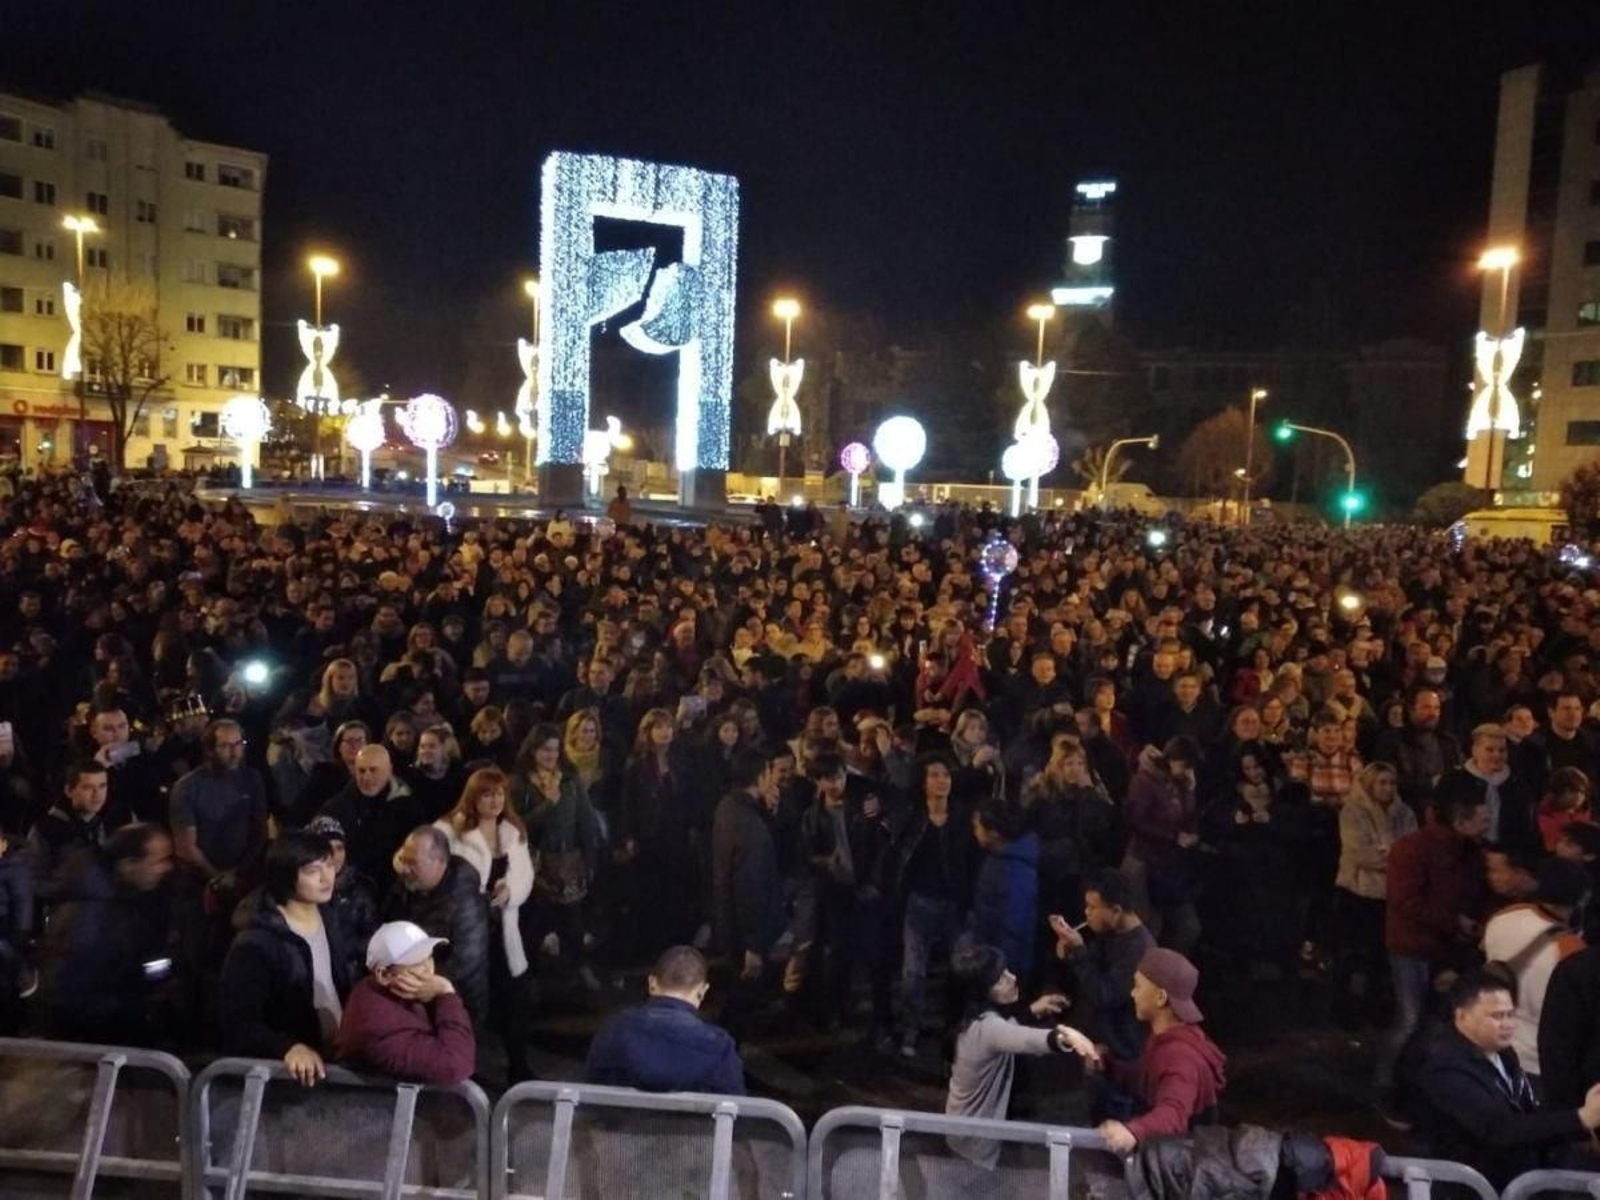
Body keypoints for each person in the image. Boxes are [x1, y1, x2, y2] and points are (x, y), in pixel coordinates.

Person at [1415, 968, 1600, 1187]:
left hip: (1523, 1170)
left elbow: (1527, 1113)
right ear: (1461, 1015)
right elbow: (1499, 1130)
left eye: (1510, 1014)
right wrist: (1580, 1118)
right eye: (1496, 1016)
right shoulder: (1443, 1068)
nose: (1508, 1024)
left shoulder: (1503, 1052)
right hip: (1477, 1185)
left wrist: (1577, 1131)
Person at [1374, 790, 1491, 1121]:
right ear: (1460, 821)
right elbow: (1407, 900)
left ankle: (1420, 1084)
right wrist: (1455, 921)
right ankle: (1384, 1085)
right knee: (1409, 1019)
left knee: (1433, 1020)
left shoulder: (1468, 850)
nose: (1488, 824)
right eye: (1481, 819)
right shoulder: (1413, 849)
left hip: (1445, 945)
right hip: (1412, 946)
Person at [944, 943, 1097, 1169]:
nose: (1012, 978)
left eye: (1007, 971)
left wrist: (1033, 1010)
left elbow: (1007, 1031)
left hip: (962, 1136)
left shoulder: (972, 1021)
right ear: (980, 991)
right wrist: (1066, 1035)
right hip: (972, 1148)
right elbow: (1022, 1038)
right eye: (1000, 979)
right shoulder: (986, 1028)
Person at [218, 831, 347, 1086]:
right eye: (312, 871)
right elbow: (239, 1024)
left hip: (335, 1062)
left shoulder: (329, 916)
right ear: (286, 876)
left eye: (330, 866)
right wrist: (288, 1047)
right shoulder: (256, 943)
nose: (326, 878)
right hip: (290, 1080)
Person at [38, 822, 176, 1046]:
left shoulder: (130, 901)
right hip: (95, 1040)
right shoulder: (93, 915)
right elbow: (76, 993)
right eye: (158, 861)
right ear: (128, 864)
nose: (166, 868)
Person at [1091, 947, 1228, 1155]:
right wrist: (1109, 1066)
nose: (1132, 993)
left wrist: (1133, 1131)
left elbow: (1173, 1114)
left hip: (1184, 1170)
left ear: (1160, 997)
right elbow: (1150, 1078)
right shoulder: (1166, 1038)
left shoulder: (1180, 1057)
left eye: (1137, 986)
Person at [1480, 857, 1588, 1083]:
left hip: (1492, 1042)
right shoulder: (1571, 950)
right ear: (1581, 899)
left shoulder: (1503, 916)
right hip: (1536, 1060)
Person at [585, 945, 745, 1094]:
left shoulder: (615, 1030)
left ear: (652, 983)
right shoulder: (719, 1046)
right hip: (693, 1125)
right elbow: (735, 1107)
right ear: (702, 991)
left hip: (624, 1123)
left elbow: (592, 1090)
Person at [335, 920, 476, 1085]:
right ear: (383, 975)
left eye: (429, 958)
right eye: (416, 963)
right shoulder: (377, 1021)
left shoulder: (407, 994)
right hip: (378, 1108)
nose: (429, 971)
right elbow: (455, 1064)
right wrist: (446, 994)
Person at [1333, 762, 1417, 1028]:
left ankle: (1373, 1008)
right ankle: (1344, 1009)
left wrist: (1387, 853)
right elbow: (1359, 852)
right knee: (1354, 952)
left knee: (1381, 956)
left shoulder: (1404, 813)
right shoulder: (1353, 812)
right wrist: (1393, 856)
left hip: (1390, 893)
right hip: (1359, 891)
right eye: (1382, 783)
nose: (1388, 788)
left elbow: (1411, 849)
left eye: (1391, 783)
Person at [711, 748, 785, 1043]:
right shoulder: (751, 828)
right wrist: (754, 946)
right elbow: (751, 887)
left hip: (729, 924)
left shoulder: (728, 807)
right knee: (738, 1006)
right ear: (760, 776)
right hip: (745, 934)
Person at [1047, 870, 1157, 1066]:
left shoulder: (1139, 950)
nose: (1087, 912)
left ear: (1116, 910)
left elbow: (1105, 994)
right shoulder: (1112, 932)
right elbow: (1092, 968)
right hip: (1102, 1040)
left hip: (1122, 1051)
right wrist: (1070, 951)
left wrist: (1079, 952)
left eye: (1093, 907)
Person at [387, 825, 491, 1032]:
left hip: (456, 1000)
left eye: (412, 862)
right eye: (403, 860)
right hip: (413, 991)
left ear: (439, 862)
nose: (404, 869)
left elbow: (467, 961)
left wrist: (417, 981)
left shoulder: (465, 901)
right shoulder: (408, 885)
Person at [320, 744, 422, 890]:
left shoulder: (408, 808)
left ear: (389, 770)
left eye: (373, 770)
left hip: (393, 889)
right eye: (361, 771)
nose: (366, 776)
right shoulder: (336, 808)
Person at [28, 760, 118, 906]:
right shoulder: (46, 829)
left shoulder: (110, 822)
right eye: (88, 787)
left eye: (102, 786)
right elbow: (34, 881)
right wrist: (73, 887)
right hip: (64, 913)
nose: (97, 794)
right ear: (69, 791)